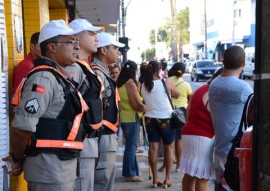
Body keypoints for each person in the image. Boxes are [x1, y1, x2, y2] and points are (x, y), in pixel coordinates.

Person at [2, 19, 87, 191]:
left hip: (61, 169)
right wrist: (17, 159)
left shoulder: (60, 77)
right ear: (52, 47)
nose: (76, 47)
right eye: (70, 42)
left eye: (76, 42)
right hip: (49, 171)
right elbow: (22, 128)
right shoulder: (43, 79)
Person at [209, 46, 253, 191]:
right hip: (234, 153)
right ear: (243, 64)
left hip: (219, 148)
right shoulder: (243, 88)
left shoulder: (214, 84)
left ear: (223, 61)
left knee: (220, 186)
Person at [67, 18, 103, 191]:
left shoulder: (82, 66)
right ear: (76, 38)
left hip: (87, 140)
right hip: (80, 141)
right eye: (92, 34)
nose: (97, 38)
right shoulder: (73, 68)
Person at [91, 32, 124, 191]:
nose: (118, 52)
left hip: (106, 137)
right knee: (101, 183)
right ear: (103, 50)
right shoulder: (97, 73)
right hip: (101, 138)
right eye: (115, 48)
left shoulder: (103, 73)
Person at [181, 68, 223, 191]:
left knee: (190, 173)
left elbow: (188, 113)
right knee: (203, 176)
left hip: (189, 133)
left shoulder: (201, 89)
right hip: (203, 137)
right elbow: (216, 118)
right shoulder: (212, 92)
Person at [141, 60, 179, 188]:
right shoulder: (164, 82)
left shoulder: (143, 85)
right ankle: (167, 178)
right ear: (159, 71)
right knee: (169, 147)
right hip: (165, 119)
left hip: (149, 119)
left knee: (153, 148)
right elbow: (177, 95)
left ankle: (155, 178)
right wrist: (167, 79)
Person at [116, 60, 146, 182]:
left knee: (130, 146)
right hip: (132, 118)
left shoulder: (120, 83)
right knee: (131, 147)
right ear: (134, 71)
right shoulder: (129, 84)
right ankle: (129, 173)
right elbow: (136, 104)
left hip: (125, 117)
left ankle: (132, 171)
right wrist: (145, 108)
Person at [166, 62, 192, 172]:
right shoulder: (186, 84)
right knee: (179, 139)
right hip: (181, 112)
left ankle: (166, 165)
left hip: (168, 110)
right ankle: (179, 165)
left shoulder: (166, 81)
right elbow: (191, 99)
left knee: (169, 139)